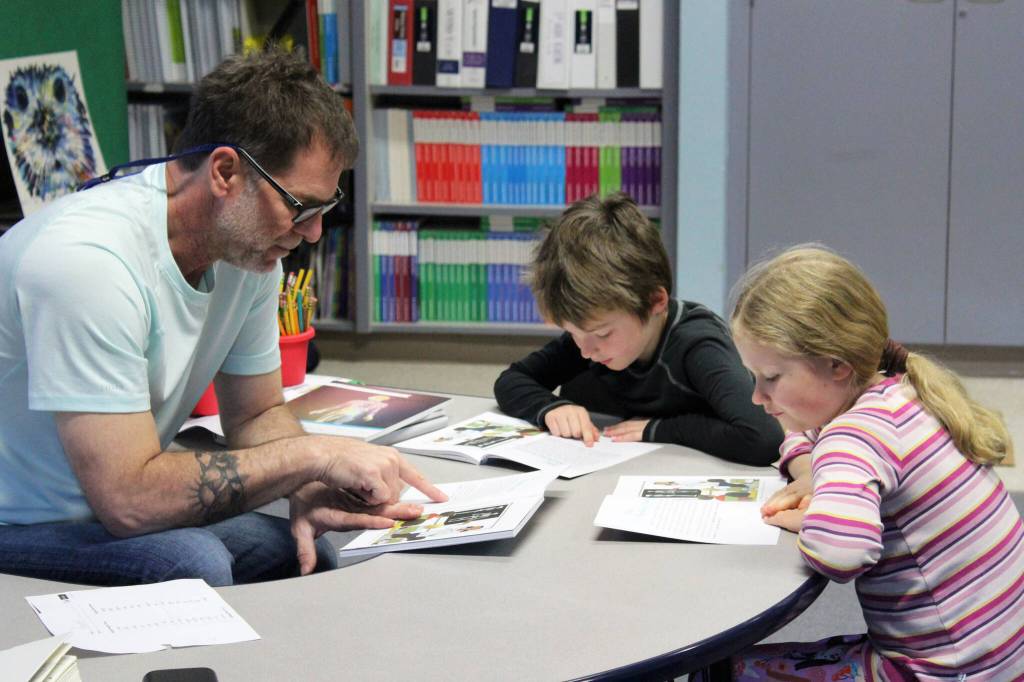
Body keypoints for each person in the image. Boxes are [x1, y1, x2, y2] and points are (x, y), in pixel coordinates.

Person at [0, 47, 446, 588]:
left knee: (306, 548)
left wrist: (307, 487)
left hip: (104, 505)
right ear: (225, 172)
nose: (312, 233)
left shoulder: (246, 247)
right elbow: (129, 501)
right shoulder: (86, 262)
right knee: (190, 563)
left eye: (324, 210)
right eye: (299, 206)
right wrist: (311, 457)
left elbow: (256, 415)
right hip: (22, 519)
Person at [723, 245, 1023, 679]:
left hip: (941, 671)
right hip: (996, 659)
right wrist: (810, 469)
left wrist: (804, 518)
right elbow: (805, 434)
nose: (756, 396)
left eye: (770, 377)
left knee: (723, 672)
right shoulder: (902, 392)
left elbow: (844, 552)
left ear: (837, 366)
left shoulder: (853, 435)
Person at [493, 193, 782, 465]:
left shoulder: (698, 345)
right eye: (575, 334)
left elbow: (763, 437)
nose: (586, 351)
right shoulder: (589, 337)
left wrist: (660, 429)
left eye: (603, 334)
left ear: (655, 301)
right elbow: (512, 380)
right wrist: (550, 408)